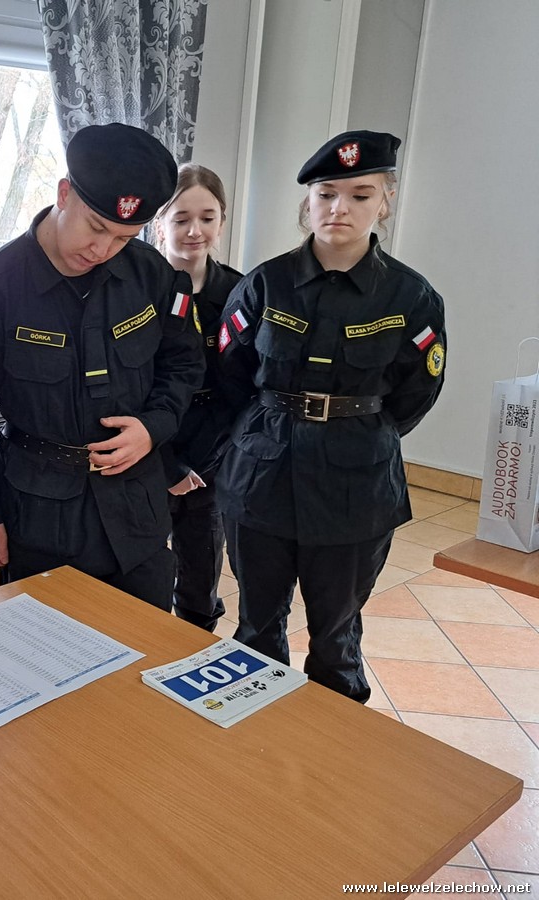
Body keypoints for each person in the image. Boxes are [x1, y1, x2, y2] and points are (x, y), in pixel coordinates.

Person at [215, 130, 446, 702]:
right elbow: (229, 375)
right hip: (262, 478)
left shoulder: (411, 297)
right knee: (256, 631)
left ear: (386, 201)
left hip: (355, 488)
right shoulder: (265, 284)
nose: (340, 208)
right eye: (326, 194)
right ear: (308, 201)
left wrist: (353, 428)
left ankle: (332, 746)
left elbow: (416, 392)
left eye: (360, 195)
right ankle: (251, 737)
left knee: (336, 639)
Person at [0, 123, 204, 609]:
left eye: (123, 237)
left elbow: (183, 363)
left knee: (144, 646)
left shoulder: (150, 275)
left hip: (136, 512)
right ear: (64, 194)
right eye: (96, 227)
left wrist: (153, 427)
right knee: (45, 650)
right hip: (40, 516)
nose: (102, 250)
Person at [152, 164, 243, 632]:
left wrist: (209, 460)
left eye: (207, 218)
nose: (195, 231)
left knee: (202, 574)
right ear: (159, 224)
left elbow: (245, 385)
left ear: (222, 221)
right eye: (181, 218)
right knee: (145, 575)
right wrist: (166, 464)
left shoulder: (241, 291)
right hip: (149, 450)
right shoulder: (137, 290)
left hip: (213, 453)